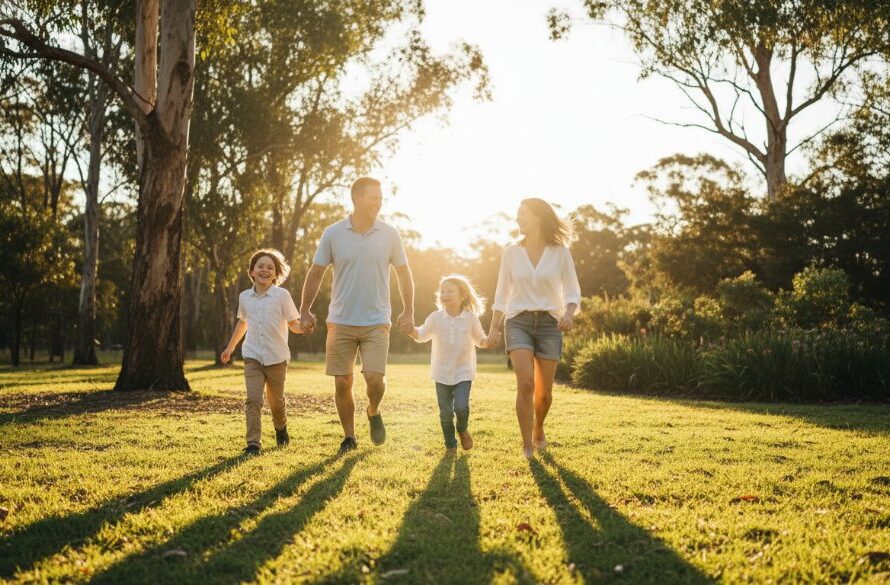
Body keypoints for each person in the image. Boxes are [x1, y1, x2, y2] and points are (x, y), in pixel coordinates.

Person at [299, 177, 415, 455]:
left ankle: (373, 411)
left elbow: (404, 273)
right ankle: (349, 437)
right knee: (343, 381)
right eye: (373, 197)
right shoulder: (333, 233)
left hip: (376, 321)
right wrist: (304, 309)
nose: (378, 202)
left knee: (374, 379)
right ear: (357, 198)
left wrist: (408, 310)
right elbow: (316, 272)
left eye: (380, 197)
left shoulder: (390, 234)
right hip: (340, 320)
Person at [486, 198, 581, 459]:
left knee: (545, 393)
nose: (518, 219)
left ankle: (539, 428)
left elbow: (572, 290)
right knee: (526, 382)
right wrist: (494, 328)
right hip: (518, 321)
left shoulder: (560, 251)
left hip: (551, 324)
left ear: (539, 217)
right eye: (517, 215)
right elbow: (502, 293)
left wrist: (569, 314)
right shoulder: (511, 252)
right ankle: (527, 443)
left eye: (523, 215)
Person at [221, 249, 304, 456]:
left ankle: (281, 428)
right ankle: (253, 444)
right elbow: (243, 323)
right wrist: (230, 348)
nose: (265, 270)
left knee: (276, 402)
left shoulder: (282, 296)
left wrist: (304, 327)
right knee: (253, 400)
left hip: (277, 358)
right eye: (260, 266)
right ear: (252, 271)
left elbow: (294, 324)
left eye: (270, 267)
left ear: (276, 274)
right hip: (252, 356)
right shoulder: (245, 297)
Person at [411, 275, 489, 452]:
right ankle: (450, 446)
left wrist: (488, 341)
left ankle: (462, 429)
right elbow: (422, 335)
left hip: (463, 371)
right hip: (441, 373)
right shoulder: (436, 318)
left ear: (462, 295)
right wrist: (411, 330)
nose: (444, 294)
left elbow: (480, 339)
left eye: (450, 291)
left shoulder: (470, 318)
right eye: (442, 291)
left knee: (461, 408)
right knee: (445, 413)